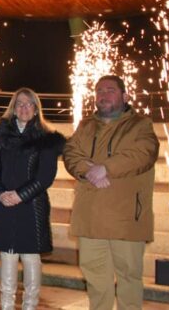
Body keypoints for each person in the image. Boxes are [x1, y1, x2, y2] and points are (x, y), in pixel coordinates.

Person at [64, 75, 159, 310]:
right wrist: (89, 171)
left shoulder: (141, 124)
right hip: (91, 216)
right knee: (95, 277)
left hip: (126, 217)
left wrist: (106, 168)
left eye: (110, 90)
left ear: (125, 96)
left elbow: (143, 154)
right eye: (99, 91)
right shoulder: (85, 125)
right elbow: (70, 153)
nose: (103, 95)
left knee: (128, 278)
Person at [0, 87, 65, 310]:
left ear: (37, 109)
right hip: (5, 205)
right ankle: (6, 306)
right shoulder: (2, 137)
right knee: (7, 256)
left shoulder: (46, 139)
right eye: (19, 103)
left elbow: (45, 177)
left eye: (29, 103)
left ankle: (30, 306)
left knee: (30, 257)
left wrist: (20, 195)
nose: (24, 108)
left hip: (32, 206)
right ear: (13, 108)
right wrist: (0, 194)